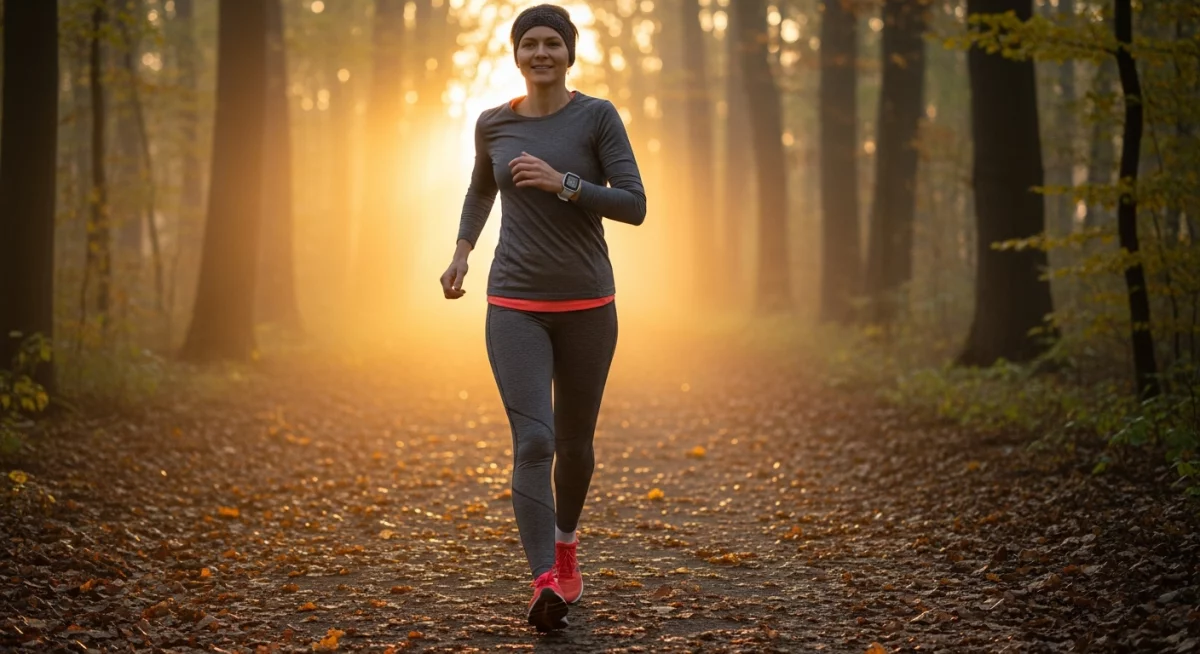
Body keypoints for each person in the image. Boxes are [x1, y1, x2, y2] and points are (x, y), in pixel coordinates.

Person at [439, 3, 647, 632]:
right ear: (516, 54)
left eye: (552, 43)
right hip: (514, 303)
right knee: (535, 440)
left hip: (588, 304)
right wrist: (461, 252)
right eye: (529, 43)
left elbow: (635, 205)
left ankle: (565, 547)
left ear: (569, 53)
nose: (540, 54)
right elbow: (481, 189)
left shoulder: (597, 117)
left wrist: (566, 184)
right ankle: (542, 585)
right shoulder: (493, 124)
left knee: (577, 444)